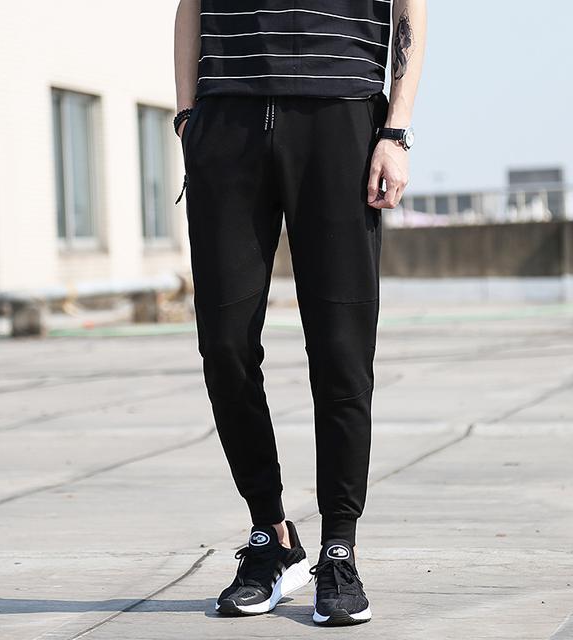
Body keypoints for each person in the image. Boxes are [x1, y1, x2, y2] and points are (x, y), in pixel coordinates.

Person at [173, 0, 426, 626]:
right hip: (227, 119)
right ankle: (271, 537)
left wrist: (395, 130)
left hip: (340, 116)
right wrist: (187, 117)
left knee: (342, 348)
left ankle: (340, 548)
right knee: (224, 345)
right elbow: (189, 7)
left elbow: (410, 10)